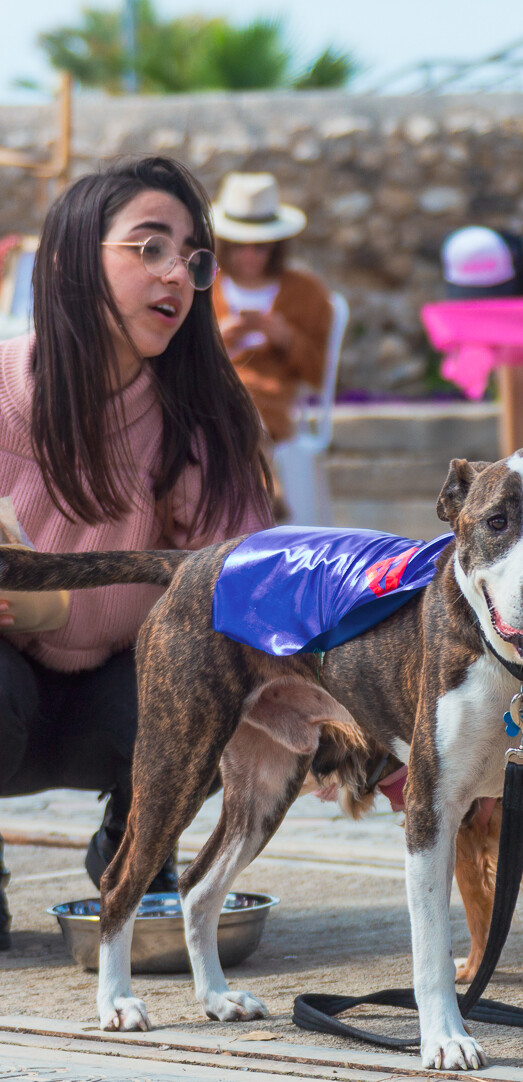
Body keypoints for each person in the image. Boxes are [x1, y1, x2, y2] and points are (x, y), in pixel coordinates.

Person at [0, 156, 273, 949]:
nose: (177, 276)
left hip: (117, 693)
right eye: (149, 247)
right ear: (70, 263)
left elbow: (242, 586)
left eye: (193, 258)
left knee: (201, 673)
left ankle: (137, 848)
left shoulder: (200, 419)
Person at [212, 172, 332, 445]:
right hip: (211, 385)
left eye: (260, 247)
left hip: (272, 394)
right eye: (239, 246)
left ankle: (255, 472)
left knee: (242, 402)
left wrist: (287, 339)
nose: (250, 255)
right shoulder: (203, 285)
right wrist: (217, 340)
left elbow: (322, 371)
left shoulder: (306, 292)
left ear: (276, 247)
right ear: (225, 245)